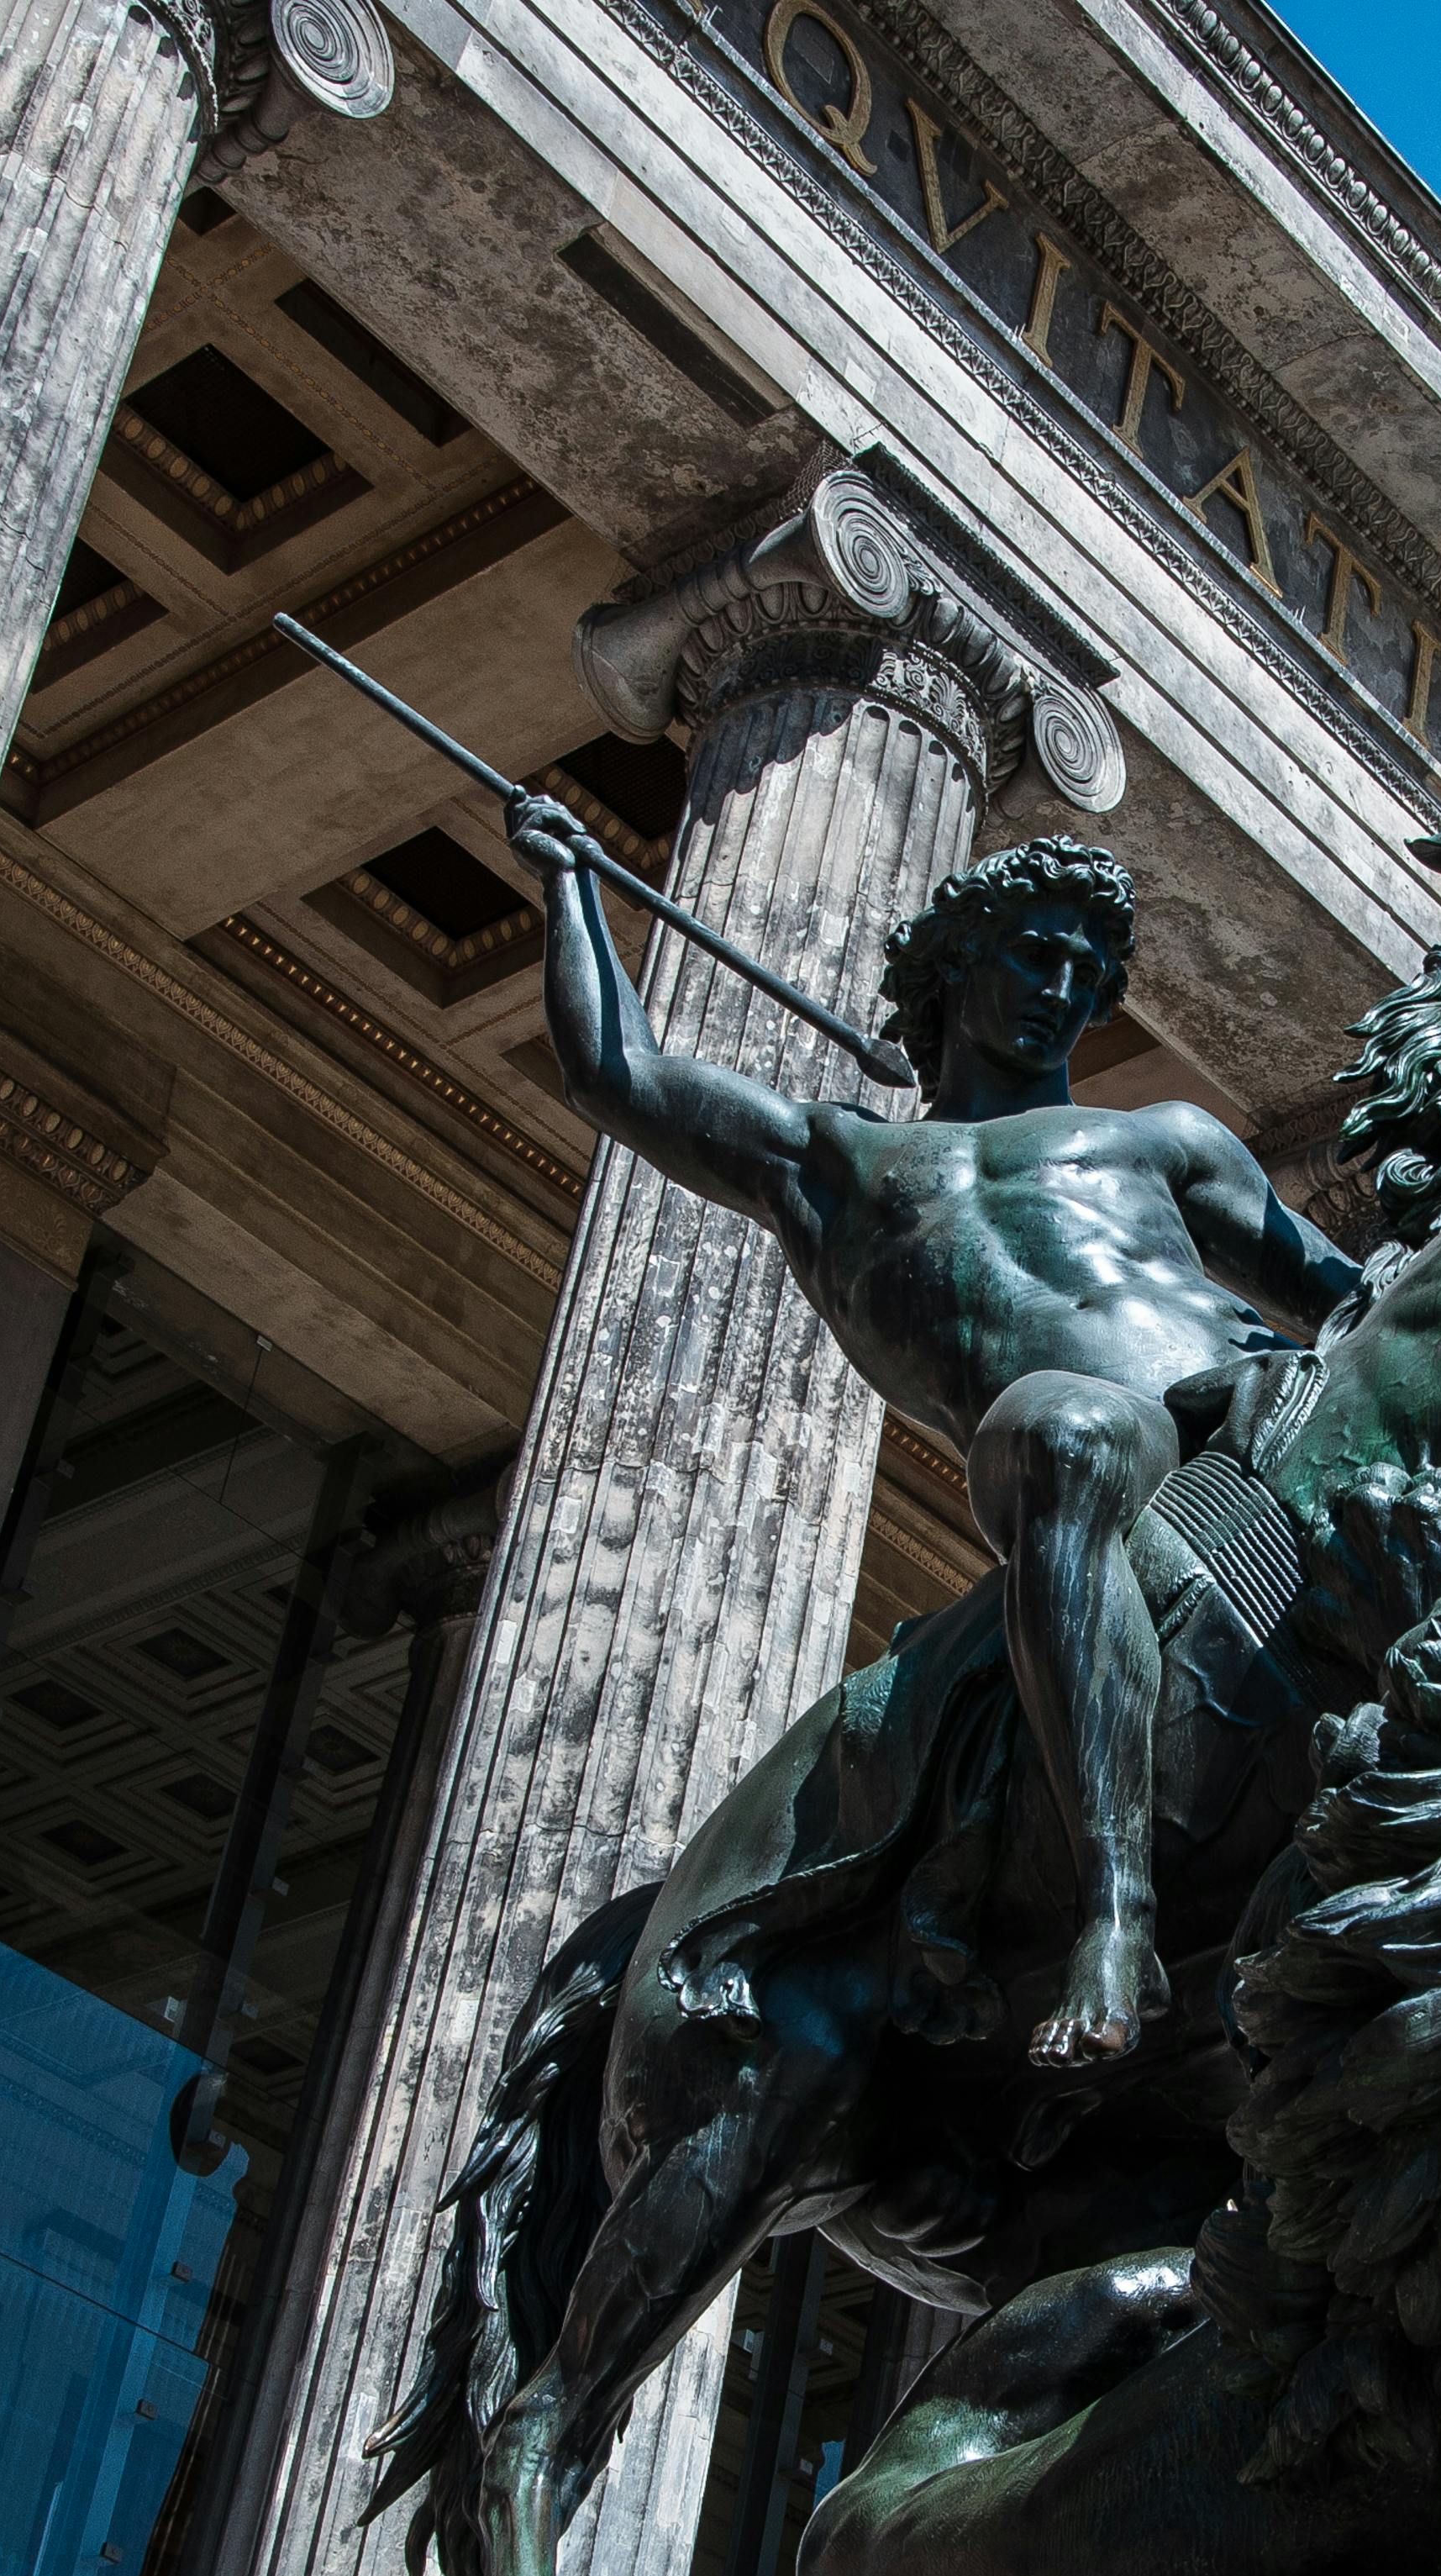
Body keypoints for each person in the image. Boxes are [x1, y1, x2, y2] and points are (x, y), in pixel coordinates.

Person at [508, 797, 1359, 2065]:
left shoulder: (1161, 1141)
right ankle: (1117, 1905)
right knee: (1058, 1431)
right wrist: (571, 883)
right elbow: (614, 1072)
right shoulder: (836, 1166)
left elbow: (1348, 1298)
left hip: (1251, 1400)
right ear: (958, 967)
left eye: (1087, 972)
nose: (1064, 991)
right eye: (1036, 955)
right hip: (1093, 1443)